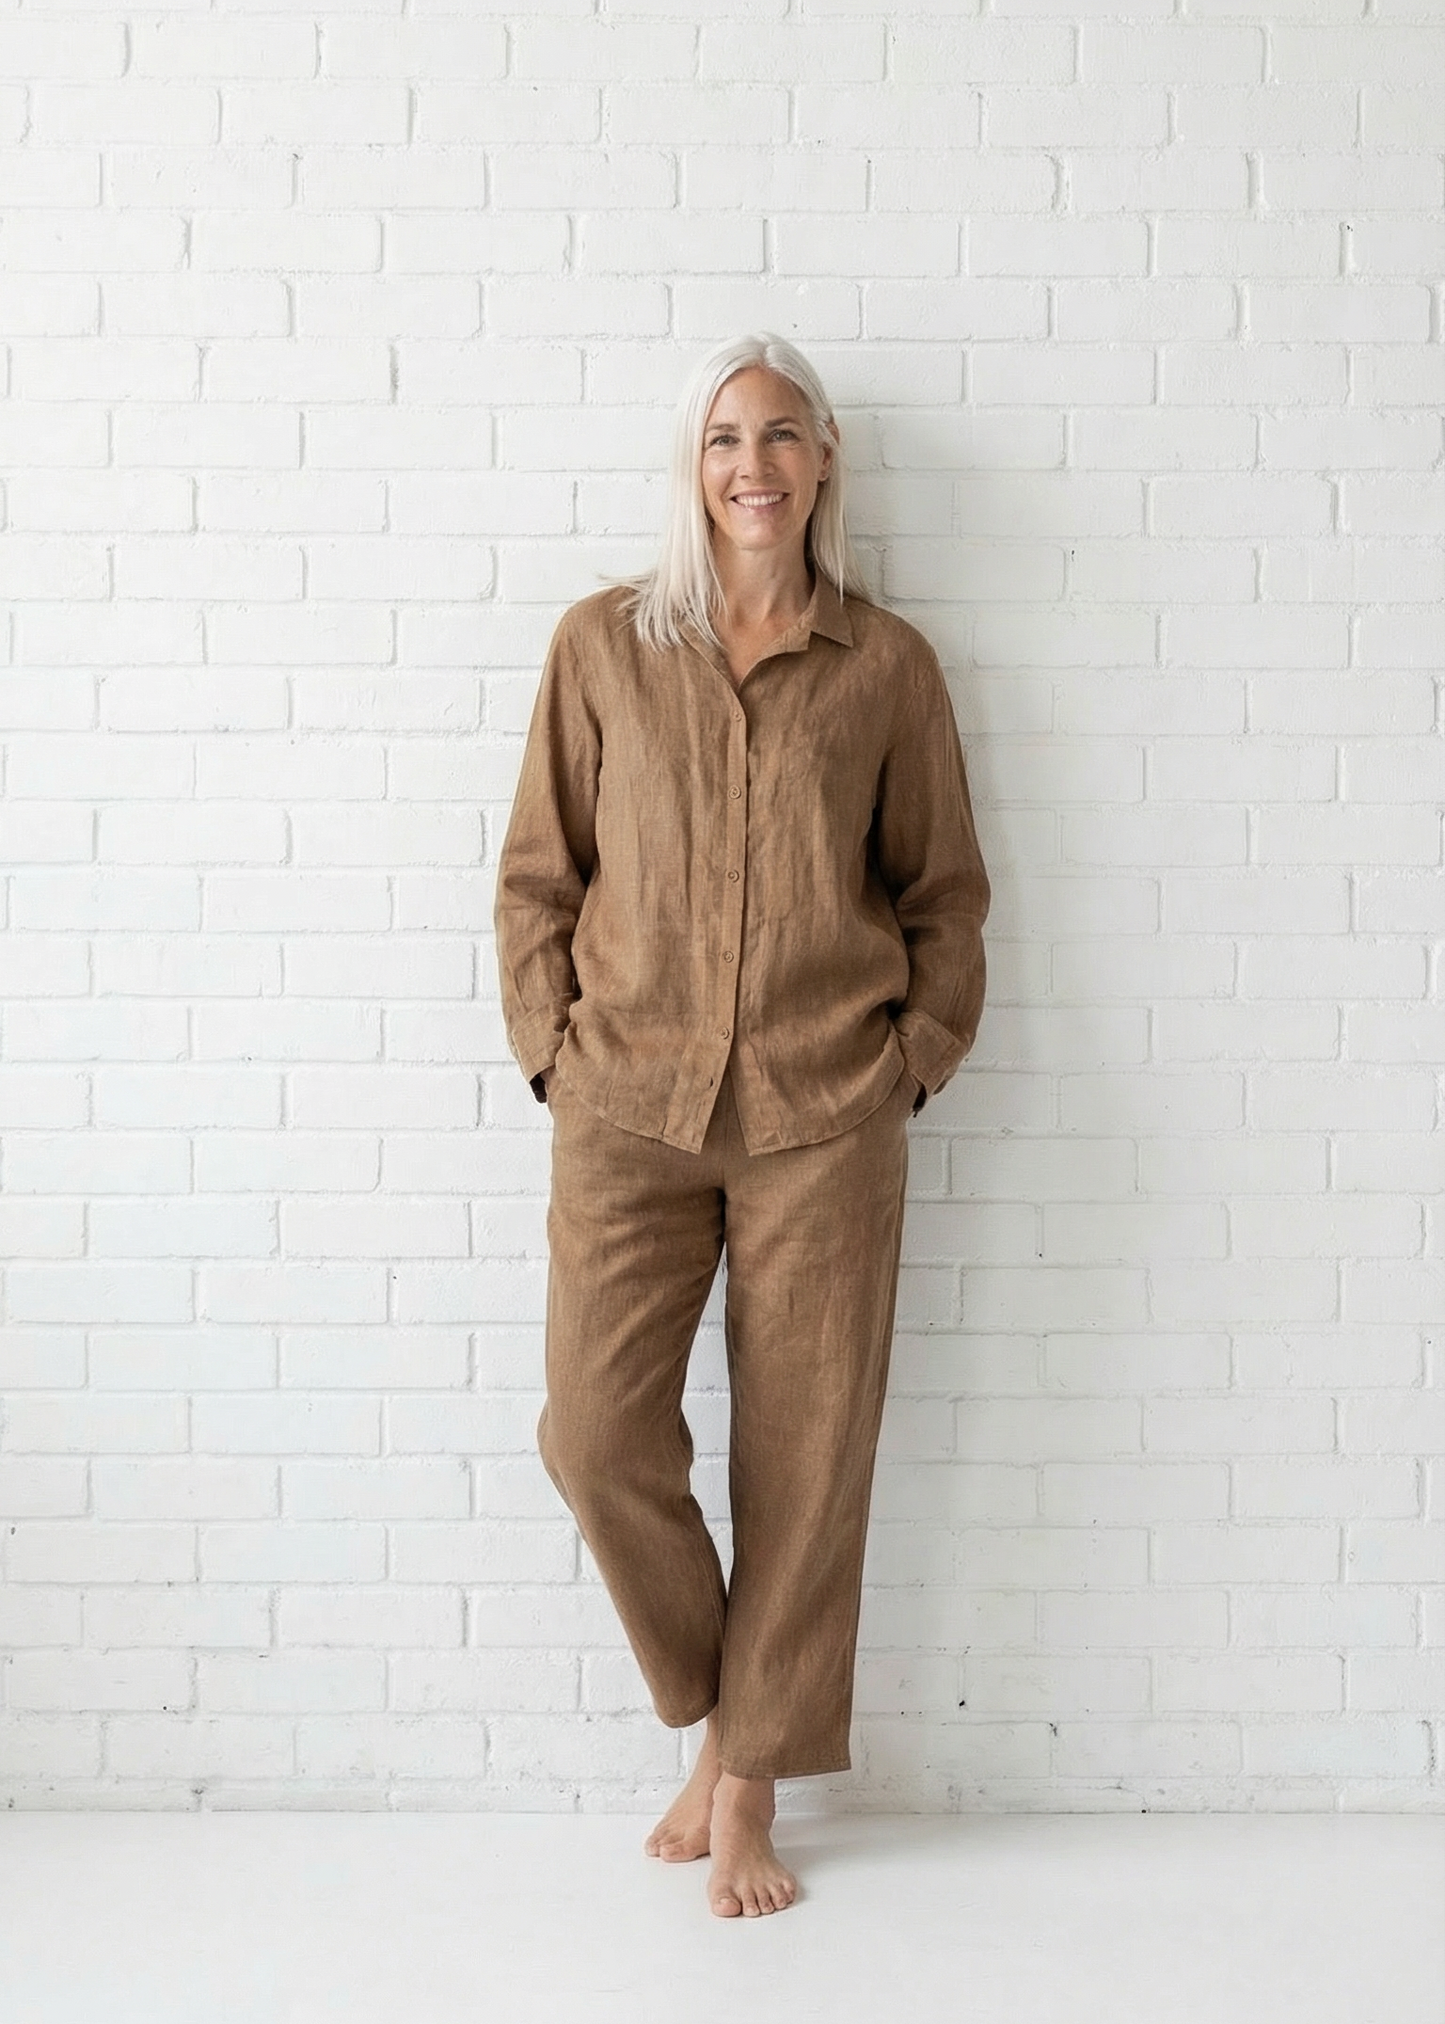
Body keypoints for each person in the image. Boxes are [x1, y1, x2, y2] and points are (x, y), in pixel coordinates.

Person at [494, 333, 990, 1918]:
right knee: (593, 1433)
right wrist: (550, 1051)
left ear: (824, 462)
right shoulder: (601, 648)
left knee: (808, 1457)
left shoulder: (888, 668)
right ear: (692, 467)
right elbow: (537, 877)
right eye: (723, 437)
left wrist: (912, 1057)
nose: (751, 464)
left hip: (825, 1112)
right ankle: (720, 1717)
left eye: (782, 435)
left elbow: (944, 892)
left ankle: (750, 1785)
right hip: (627, 1105)